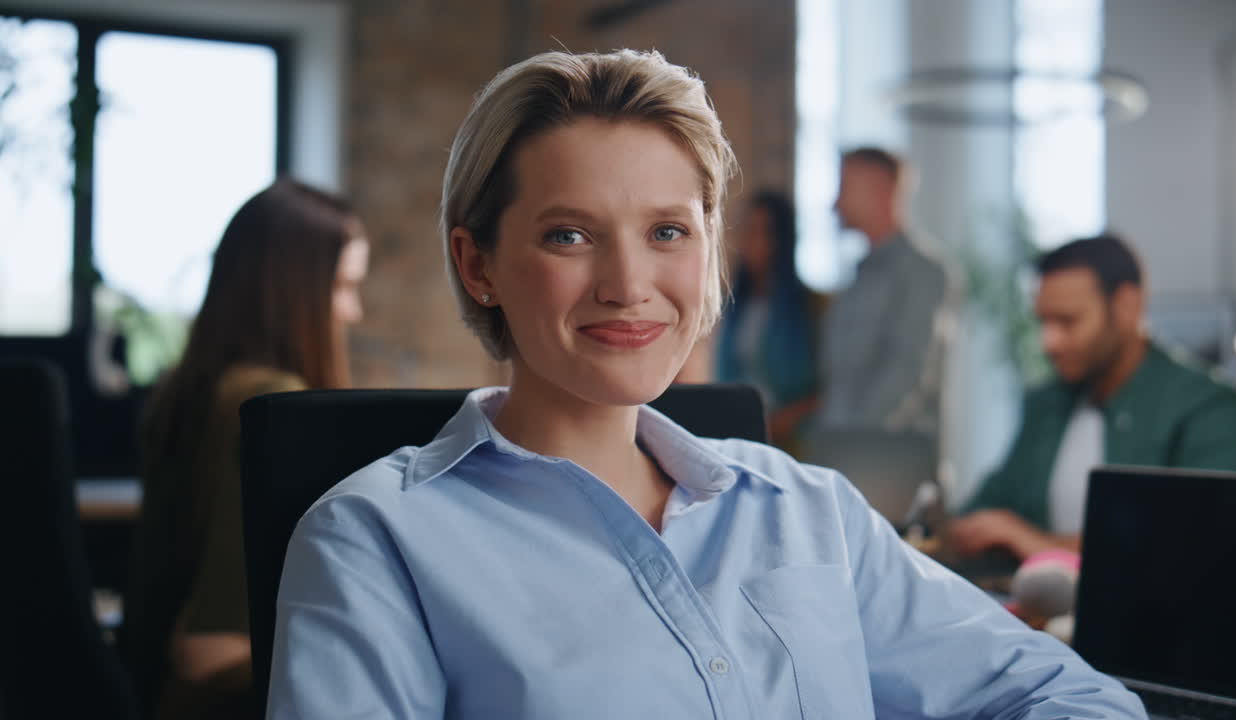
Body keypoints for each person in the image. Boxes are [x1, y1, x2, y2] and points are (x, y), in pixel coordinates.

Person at [267, 49, 1144, 718]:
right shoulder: (375, 541)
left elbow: (1077, 699)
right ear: (478, 263)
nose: (628, 285)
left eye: (667, 233)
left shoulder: (811, 513)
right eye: (570, 235)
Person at [125, 178, 369, 720]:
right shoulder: (269, 401)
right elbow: (209, 652)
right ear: (291, 289)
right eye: (341, 286)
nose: (353, 312)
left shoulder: (191, 389)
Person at [951, 233, 1236, 561]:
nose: (1049, 342)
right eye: (1044, 322)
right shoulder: (1046, 404)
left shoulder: (1211, 410)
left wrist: (1033, 543)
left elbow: (1201, 545)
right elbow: (985, 509)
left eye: (1067, 321)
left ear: (1127, 306)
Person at [773, 147, 949, 441]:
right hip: (841, 447)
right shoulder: (860, 275)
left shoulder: (923, 272)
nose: (836, 203)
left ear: (880, 188)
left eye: (845, 187)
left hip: (884, 454)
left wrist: (852, 440)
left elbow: (907, 372)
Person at [714, 189, 817, 446]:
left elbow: (826, 388)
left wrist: (778, 422)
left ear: (781, 239)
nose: (749, 241)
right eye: (746, 230)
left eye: (760, 231)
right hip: (739, 429)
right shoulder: (734, 305)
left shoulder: (812, 306)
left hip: (792, 434)